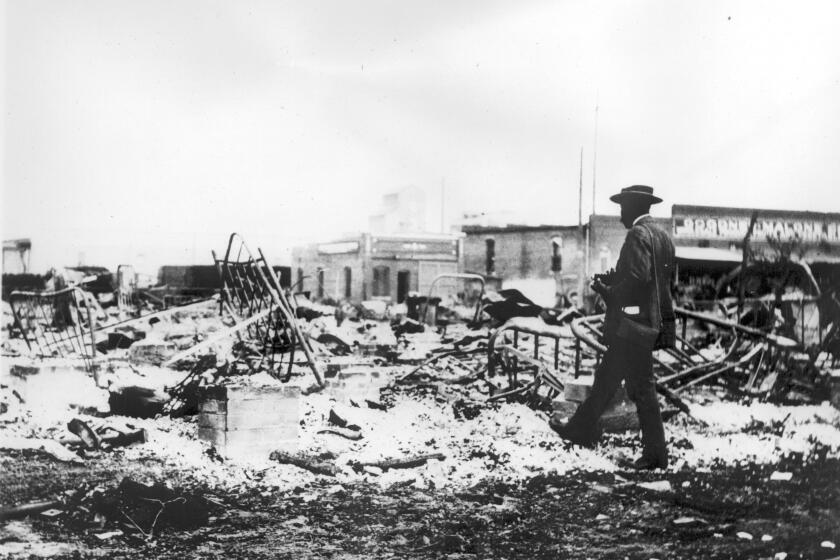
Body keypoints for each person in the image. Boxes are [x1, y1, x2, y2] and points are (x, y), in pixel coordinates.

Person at [551, 185, 676, 470]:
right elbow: (661, 282)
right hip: (649, 323)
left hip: (632, 326)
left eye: (622, 207)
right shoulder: (663, 237)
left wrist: (608, 290)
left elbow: (636, 280)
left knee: (641, 387)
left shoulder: (637, 234)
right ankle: (580, 429)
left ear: (632, 207)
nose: (620, 214)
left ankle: (655, 454)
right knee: (607, 378)